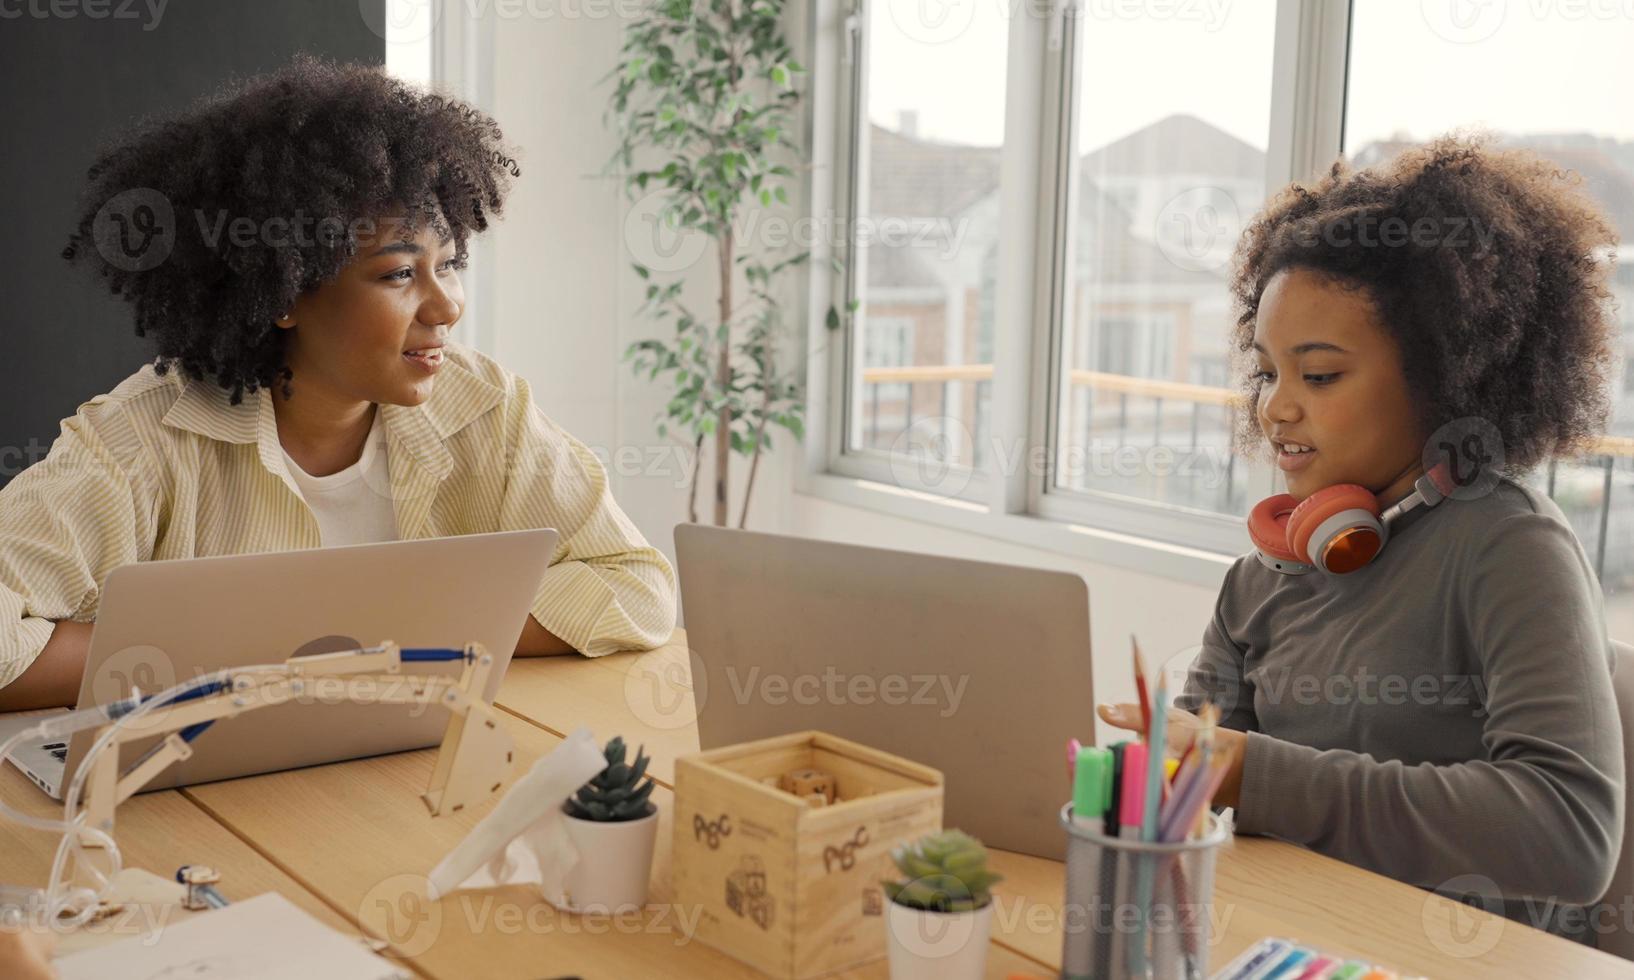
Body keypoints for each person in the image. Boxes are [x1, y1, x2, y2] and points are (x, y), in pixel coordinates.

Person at [0, 56, 676, 712]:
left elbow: (636, 585)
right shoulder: (140, 443)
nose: (447, 307)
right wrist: (231, 656)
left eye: (450, 264)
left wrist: (385, 645)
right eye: (399, 275)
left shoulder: (484, 408)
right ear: (284, 293)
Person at [1099, 135, 1626, 943]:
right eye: (1268, 371)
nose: (1275, 408)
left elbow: (1568, 833)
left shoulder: (1510, 548)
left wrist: (1252, 770)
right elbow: (1192, 786)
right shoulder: (1264, 574)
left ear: (1442, 376)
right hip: (1293, 935)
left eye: (1319, 375)